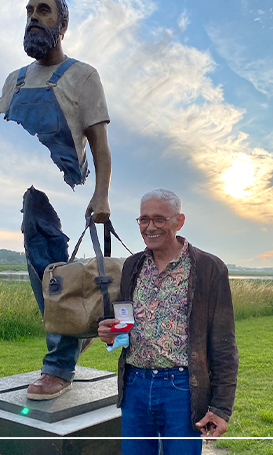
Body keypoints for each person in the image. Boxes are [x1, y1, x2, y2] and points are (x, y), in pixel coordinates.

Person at [0, 0, 111, 400]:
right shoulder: (13, 80)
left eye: (43, 11)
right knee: (39, 273)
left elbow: (99, 142)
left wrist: (101, 194)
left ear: (62, 25)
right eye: (29, 10)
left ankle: (59, 366)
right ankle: (73, 333)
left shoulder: (83, 75)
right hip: (28, 193)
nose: (33, 17)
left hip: (68, 186)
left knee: (55, 273)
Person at [98, 189, 238, 455]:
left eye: (159, 219)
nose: (150, 227)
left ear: (179, 221)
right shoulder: (131, 266)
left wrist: (220, 408)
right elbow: (126, 326)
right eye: (144, 220)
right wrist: (110, 333)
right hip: (135, 385)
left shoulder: (210, 268)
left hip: (181, 389)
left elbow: (223, 343)